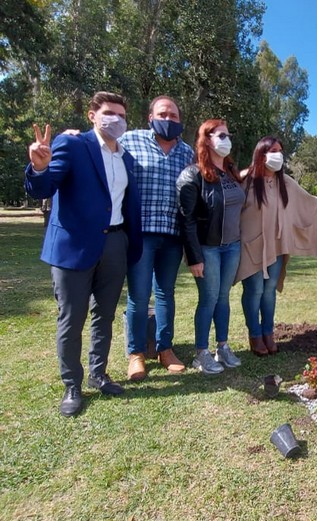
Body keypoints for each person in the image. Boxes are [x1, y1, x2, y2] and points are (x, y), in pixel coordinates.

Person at [24, 91, 143, 416]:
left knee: (104, 315)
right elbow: (44, 187)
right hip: (74, 247)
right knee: (72, 318)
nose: (116, 120)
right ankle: (72, 385)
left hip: (114, 244)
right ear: (92, 115)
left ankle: (98, 373)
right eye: (109, 113)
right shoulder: (73, 144)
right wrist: (39, 167)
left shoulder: (126, 158)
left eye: (121, 115)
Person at [236, 136, 317, 355]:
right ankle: (255, 335)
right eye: (273, 151)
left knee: (269, 291)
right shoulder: (245, 180)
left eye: (280, 150)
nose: (278, 155)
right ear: (261, 154)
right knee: (254, 290)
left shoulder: (284, 182)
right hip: (251, 247)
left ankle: (268, 333)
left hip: (277, 247)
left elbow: (311, 201)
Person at [121, 96, 194, 381]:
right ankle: (136, 354)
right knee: (139, 296)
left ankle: (165, 349)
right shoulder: (130, 141)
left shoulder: (187, 152)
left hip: (172, 236)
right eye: (163, 114)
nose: (168, 119)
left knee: (165, 294)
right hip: (140, 234)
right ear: (150, 117)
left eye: (174, 115)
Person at [177, 119, 245, 374]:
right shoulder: (192, 175)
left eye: (229, 135)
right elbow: (186, 220)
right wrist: (194, 257)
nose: (227, 140)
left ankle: (222, 346)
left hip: (232, 247)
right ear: (206, 140)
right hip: (208, 249)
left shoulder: (230, 174)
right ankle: (201, 353)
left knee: (224, 298)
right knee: (209, 299)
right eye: (221, 135)